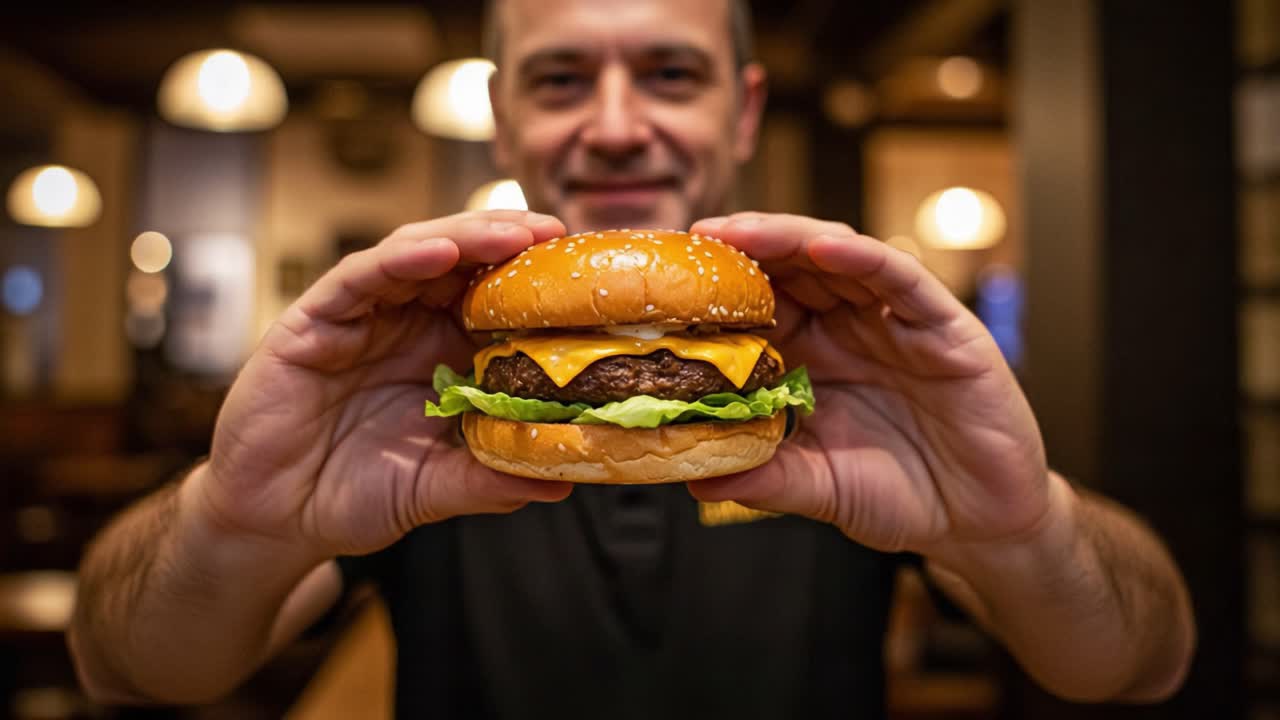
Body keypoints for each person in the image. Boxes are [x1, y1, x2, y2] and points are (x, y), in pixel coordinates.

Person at [68, 0, 1196, 717]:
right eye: (560, 80)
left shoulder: (861, 361)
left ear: (743, 111)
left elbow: (1143, 667)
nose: (614, 124)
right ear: (502, 117)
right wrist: (232, 523)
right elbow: (126, 669)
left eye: (669, 73)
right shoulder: (412, 366)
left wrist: (1022, 532)